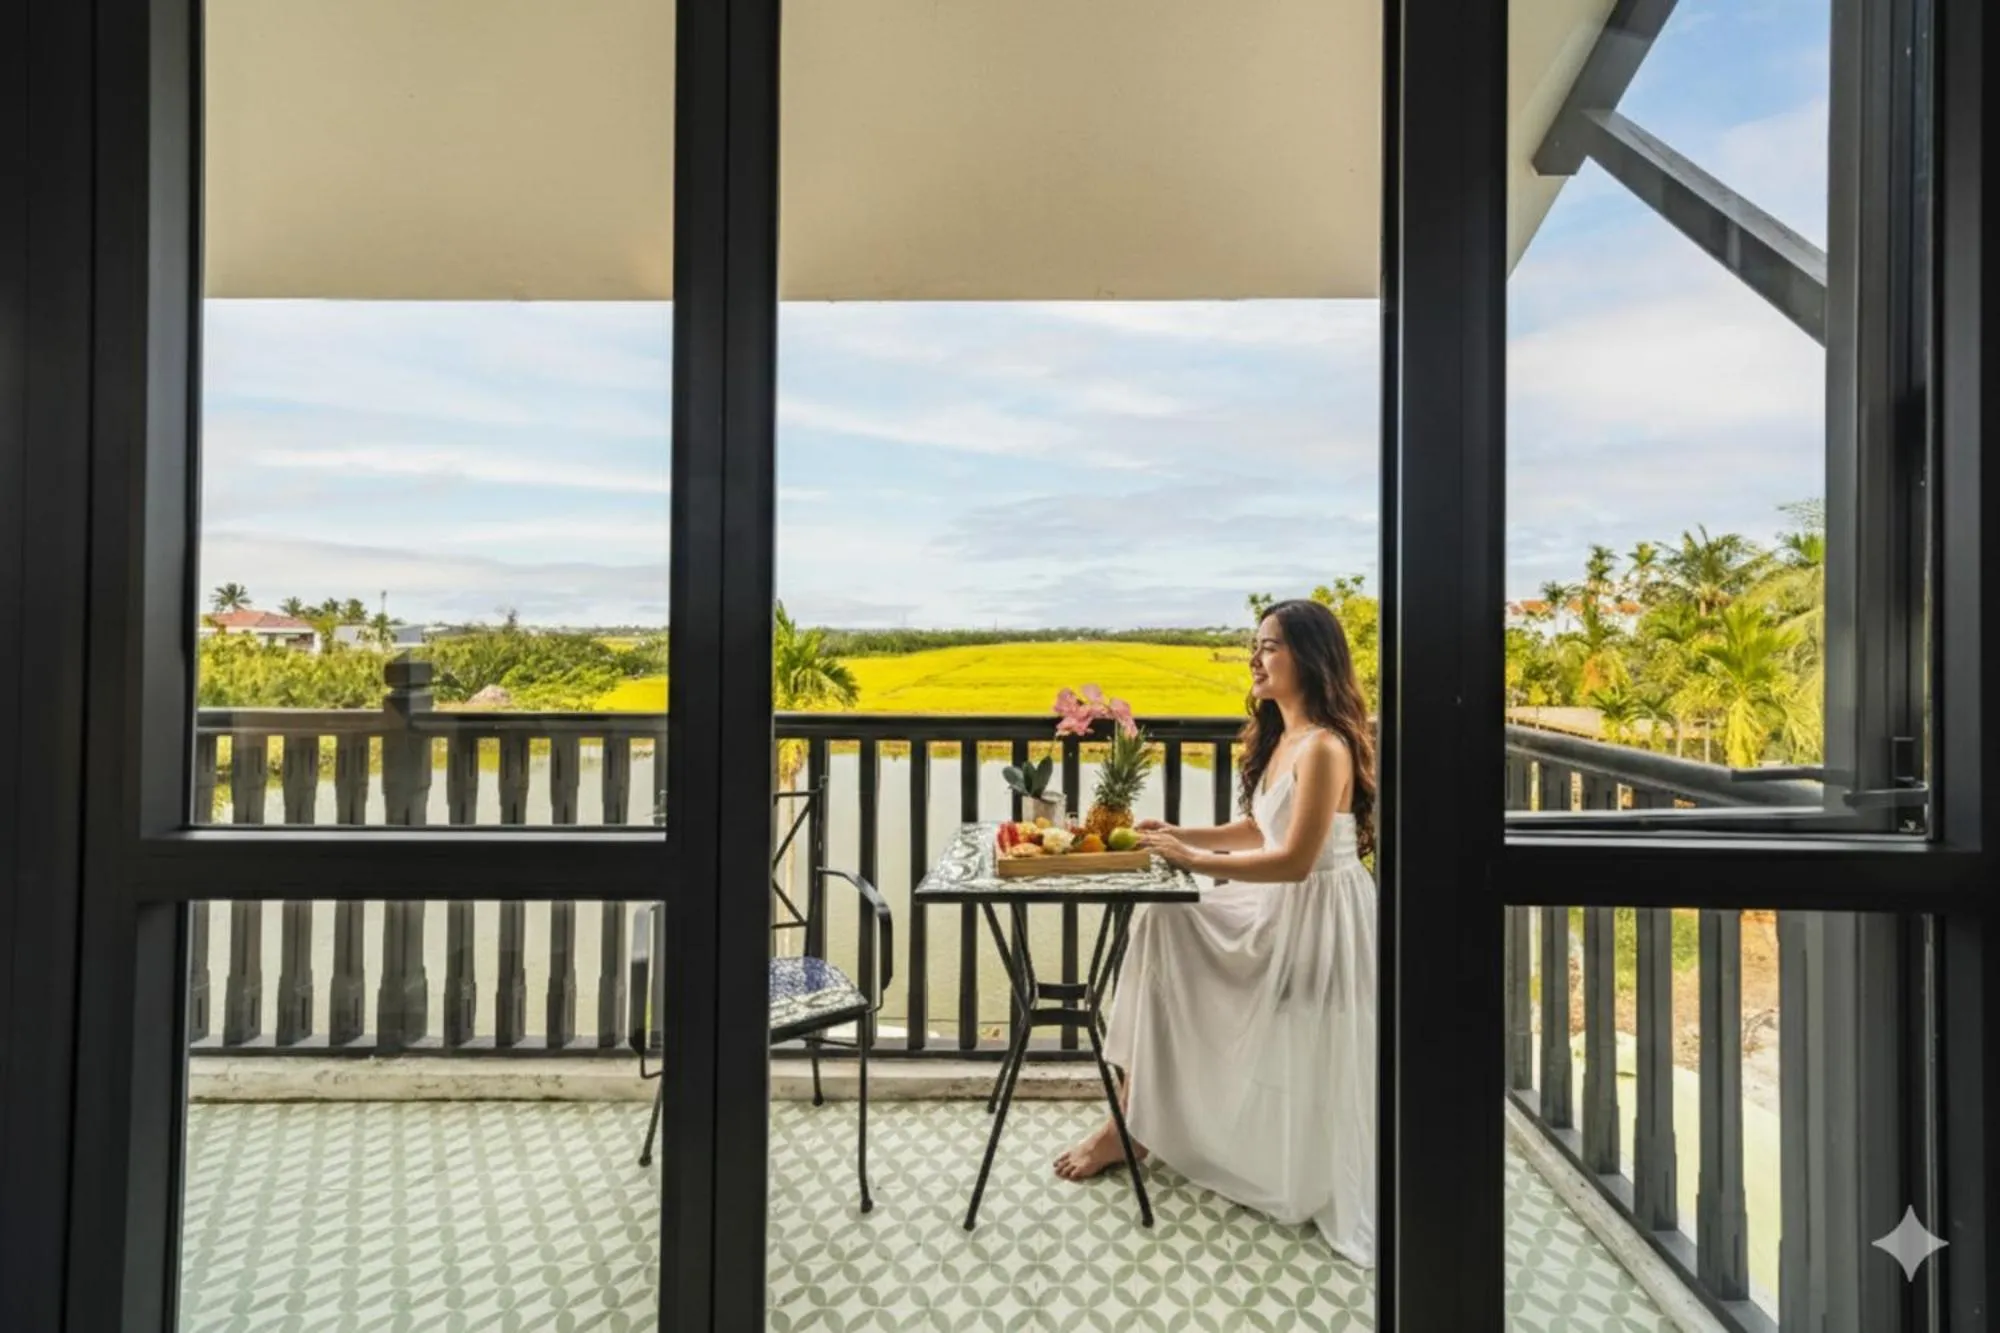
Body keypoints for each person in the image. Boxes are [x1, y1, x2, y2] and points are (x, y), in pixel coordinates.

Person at [1052, 598, 1378, 1269]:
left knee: (1169, 919)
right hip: (1279, 901)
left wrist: (1193, 860)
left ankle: (1133, 1123)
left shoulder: (1324, 747)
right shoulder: (1286, 737)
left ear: (1309, 656)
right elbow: (1259, 829)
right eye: (1255, 646)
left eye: (1270, 646)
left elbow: (1295, 859)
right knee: (1162, 918)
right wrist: (1178, 833)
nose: (1255, 658)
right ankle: (1134, 1115)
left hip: (1313, 914)